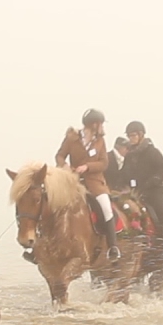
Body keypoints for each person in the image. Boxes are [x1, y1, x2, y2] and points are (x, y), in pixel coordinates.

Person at [56, 109, 120, 261]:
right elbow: (59, 155)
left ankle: (113, 247)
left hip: (95, 183)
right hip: (74, 182)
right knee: (55, 205)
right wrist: (64, 165)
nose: (102, 126)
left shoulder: (100, 141)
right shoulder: (72, 138)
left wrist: (87, 167)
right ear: (94, 124)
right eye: (101, 124)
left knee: (106, 208)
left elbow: (104, 163)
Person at [123, 121, 163, 256]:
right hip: (136, 193)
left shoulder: (152, 152)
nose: (131, 138)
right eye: (129, 136)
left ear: (141, 135)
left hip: (153, 190)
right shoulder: (129, 155)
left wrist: (155, 180)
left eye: (133, 135)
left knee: (161, 211)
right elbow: (124, 173)